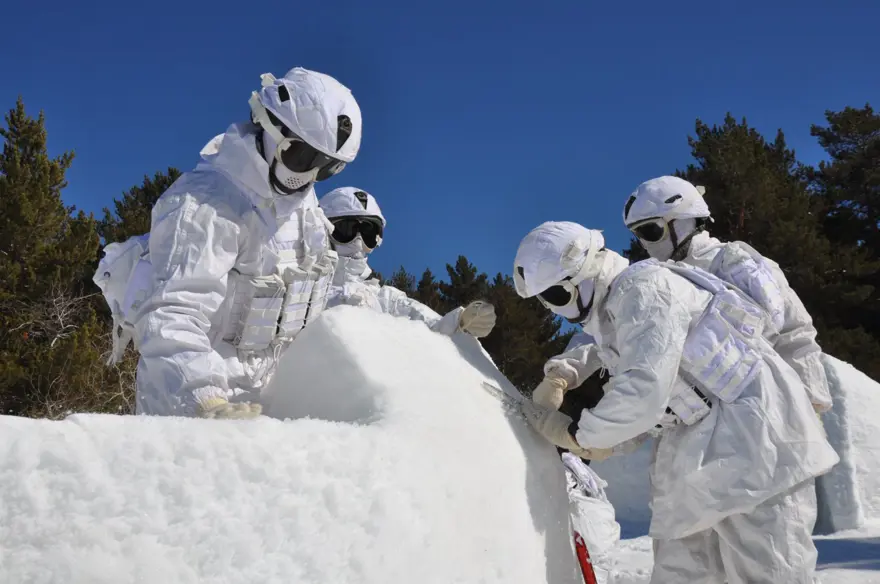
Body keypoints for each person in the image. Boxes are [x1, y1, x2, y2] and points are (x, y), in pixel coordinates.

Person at [513, 220, 838, 584]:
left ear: (585, 272)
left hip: (758, 447)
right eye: (546, 302)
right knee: (681, 573)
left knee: (769, 571)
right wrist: (597, 427)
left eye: (558, 296)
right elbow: (655, 401)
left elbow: (644, 389)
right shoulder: (618, 319)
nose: (557, 311)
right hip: (699, 458)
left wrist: (580, 434)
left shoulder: (645, 288)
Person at [126, 67, 362, 418]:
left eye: (328, 167)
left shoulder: (307, 214)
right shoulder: (207, 203)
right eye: (303, 157)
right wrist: (204, 399)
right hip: (199, 399)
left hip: (278, 397)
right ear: (269, 127)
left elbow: (328, 297)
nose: (309, 176)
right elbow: (172, 313)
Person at [622, 175, 832, 413]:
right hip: (708, 424)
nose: (645, 244)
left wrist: (807, 400)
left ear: (683, 220)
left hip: (767, 407)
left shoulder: (734, 262)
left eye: (650, 231)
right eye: (638, 236)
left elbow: (791, 331)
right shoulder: (662, 280)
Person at [318, 186, 496, 338]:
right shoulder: (302, 288)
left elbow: (432, 326)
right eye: (346, 229)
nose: (357, 241)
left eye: (367, 233)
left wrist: (462, 321)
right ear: (322, 230)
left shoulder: (381, 298)